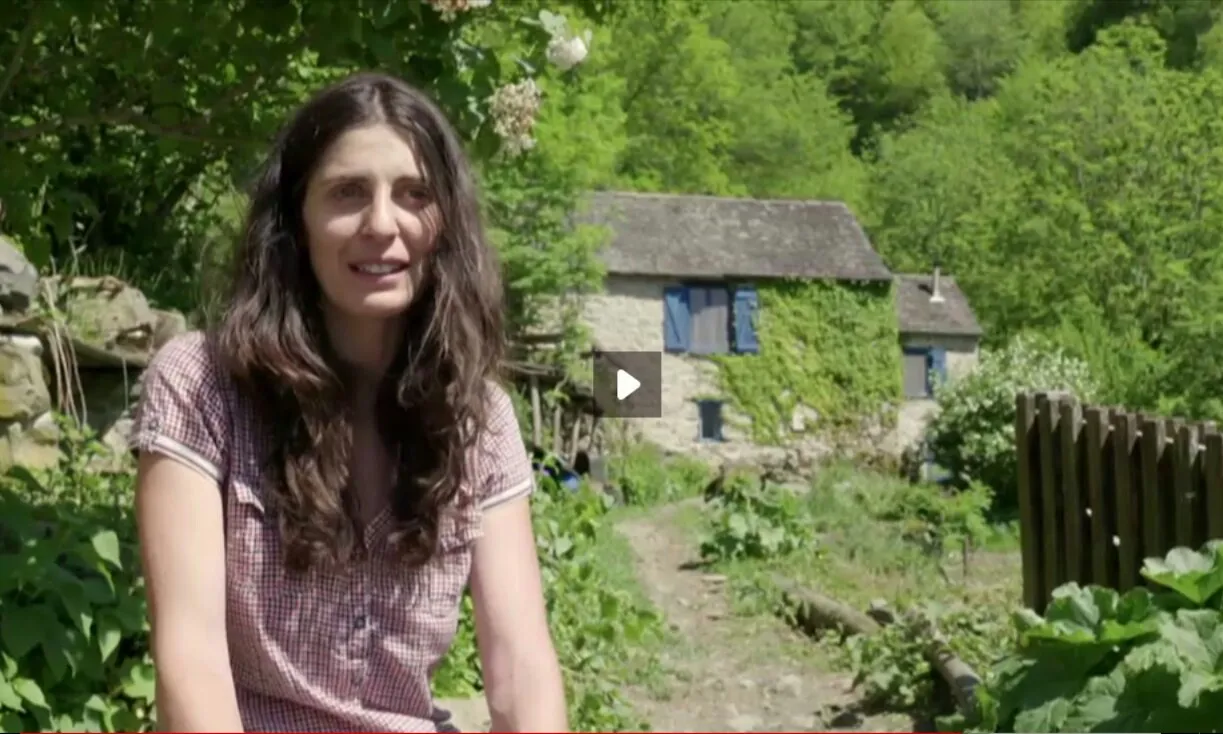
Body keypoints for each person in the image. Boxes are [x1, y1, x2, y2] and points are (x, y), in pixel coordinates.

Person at [131, 72, 568, 733]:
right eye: (347, 193)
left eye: (414, 194)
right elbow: (190, 661)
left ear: (446, 221)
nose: (382, 224)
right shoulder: (200, 386)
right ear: (296, 221)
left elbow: (520, 668)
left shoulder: (480, 419)